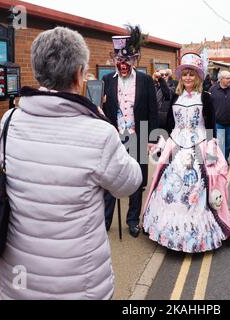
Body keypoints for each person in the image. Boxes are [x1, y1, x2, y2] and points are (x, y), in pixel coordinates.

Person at [0, 27, 142, 300]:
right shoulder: (99, 133)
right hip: (79, 285)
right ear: (78, 74)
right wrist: (102, 121)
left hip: (19, 280)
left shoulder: (9, 122)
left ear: (38, 71)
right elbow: (129, 183)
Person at [142, 52, 230, 253]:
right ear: (180, 76)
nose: (187, 78)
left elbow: (211, 125)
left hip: (199, 143)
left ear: (197, 77)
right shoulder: (175, 96)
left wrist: (211, 150)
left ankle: (198, 232)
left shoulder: (206, 97)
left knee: (197, 186)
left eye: (191, 75)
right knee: (169, 185)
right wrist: (159, 141)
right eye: (185, 74)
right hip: (176, 143)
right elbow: (169, 123)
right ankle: (169, 232)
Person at [102, 25, 158, 238]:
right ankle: (105, 220)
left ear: (133, 61)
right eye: (119, 61)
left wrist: (151, 139)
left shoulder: (145, 81)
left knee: (136, 180)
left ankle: (133, 220)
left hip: (138, 135)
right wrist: (100, 103)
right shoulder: (106, 81)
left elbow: (153, 111)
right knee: (110, 178)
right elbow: (96, 110)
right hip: (113, 138)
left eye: (126, 61)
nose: (122, 65)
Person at [210, 70, 230, 162]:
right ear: (221, 79)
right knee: (220, 145)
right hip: (218, 122)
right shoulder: (213, 90)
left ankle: (225, 159)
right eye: (227, 78)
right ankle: (221, 162)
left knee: (229, 144)